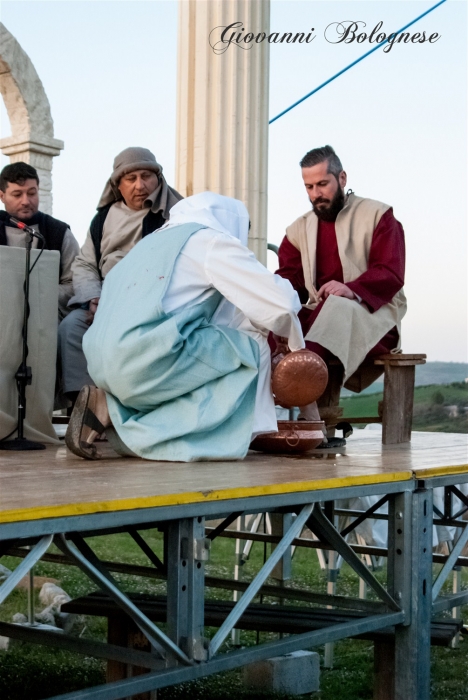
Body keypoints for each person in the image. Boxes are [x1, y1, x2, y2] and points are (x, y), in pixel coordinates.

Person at [65, 192, 304, 462]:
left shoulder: (147, 245)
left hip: (103, 366)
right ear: (230, 223)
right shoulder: (211, 240)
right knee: (251, 345)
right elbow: (280, 303)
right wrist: (294, 344)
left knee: (213, 343)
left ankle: (108, 408)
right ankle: (215, 436)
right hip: (140, 359)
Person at [274, 145, 406, 414]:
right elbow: (290, 281)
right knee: (275, 317)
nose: (316, 194)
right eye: (309, 187)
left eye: (322, 184)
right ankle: (272, 399)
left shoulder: (379, 216)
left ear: (342, 179)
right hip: (319, 316)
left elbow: (391, 272)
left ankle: (303, 403)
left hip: (374, 316)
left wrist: (350, 289)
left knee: (335, 306)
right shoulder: (297, 230)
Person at [58, 147, 183, 405]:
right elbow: (84, 264)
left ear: (158, 178)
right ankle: (87, 409)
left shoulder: (177, 215)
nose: (140, 185)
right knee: (71, 328)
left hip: (154, 304)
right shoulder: (103, 218)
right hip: (105, 302)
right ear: (118, 184)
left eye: (147, 176)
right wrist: (94, 297)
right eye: (131, 178)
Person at [0, 162, 79, 319]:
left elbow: (74, 284)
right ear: (2, 196)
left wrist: (36, 297)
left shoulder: (59, 232)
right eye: (17, 195)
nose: (25, 201)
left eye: (31, 193)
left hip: (44, 319)